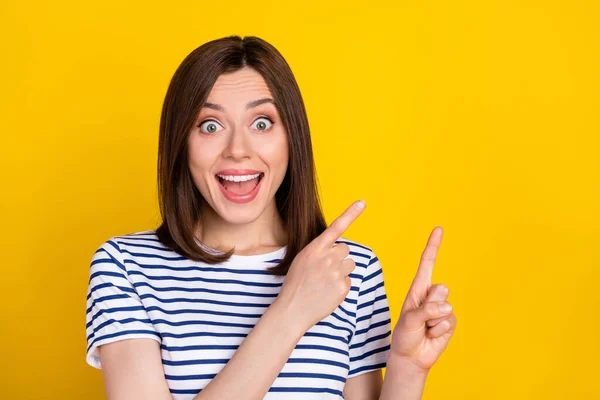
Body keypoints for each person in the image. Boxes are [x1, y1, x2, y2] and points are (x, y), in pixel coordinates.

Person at [85, 35, 457, 400]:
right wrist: (290, 312)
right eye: (210, 125)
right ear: (180, 141)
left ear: (291, 137)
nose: (238, 151)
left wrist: (408, 370)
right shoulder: (126, 267)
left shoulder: (347, 269)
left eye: (261, 123)